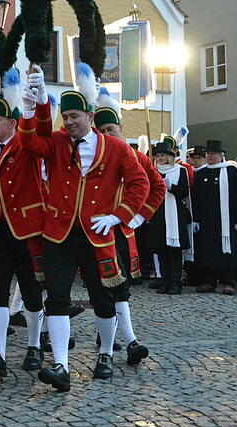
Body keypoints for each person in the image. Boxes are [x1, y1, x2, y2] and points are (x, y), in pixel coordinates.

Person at [18, 62, 148, 392]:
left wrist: (119, 215)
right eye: (66, 117)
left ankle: (105, 353)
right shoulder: (58, 142)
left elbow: (140, 184)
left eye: (75, 117)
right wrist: (32, 108)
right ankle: (60, 363)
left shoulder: (117, 148)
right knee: (57, 297)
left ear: (90, 116)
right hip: (58, 233)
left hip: (98, 234)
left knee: (103, 299)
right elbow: (32, 144)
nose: (69, 123)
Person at [0, 68, 47, 379]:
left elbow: (39, 133)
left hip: (27, 227)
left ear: (12, 123)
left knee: (30, 290)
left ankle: (34, 346)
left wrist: (36, 100)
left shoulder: (24, 144)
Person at [90, 88, 163, 367]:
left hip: (122, 231)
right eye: (103, 129)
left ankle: (120, 338)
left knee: (120, 286)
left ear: (121, 127)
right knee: (106, 287)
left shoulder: (136, 157)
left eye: (112, 128)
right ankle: (122, 338)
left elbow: (156, 185)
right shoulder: (91, 155)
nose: (108, 134)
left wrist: (139, 215)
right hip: (96, 231)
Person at [193, 140, 237, 294]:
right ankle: (208, 281)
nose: (210, 156)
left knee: (227, 251)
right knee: (207, 251)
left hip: (227, 220)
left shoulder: (232, 172)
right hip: (206, 220)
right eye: (208, 154)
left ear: (221, 155)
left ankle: (228, 282)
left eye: (213, 154)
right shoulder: (201, 173)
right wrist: (195, 218)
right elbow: (196, 198)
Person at [147, 141, 192, 295]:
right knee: (161, 250)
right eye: (157, 156)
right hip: (158, 213)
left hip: (174, 213)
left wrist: (171, 187)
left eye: (162, 155)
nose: (160, 158)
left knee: (174, 251)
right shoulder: (153, 172)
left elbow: (184, 192)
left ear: (169, 157)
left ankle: (175, 282)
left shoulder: (179, 171)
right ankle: (164, 281)